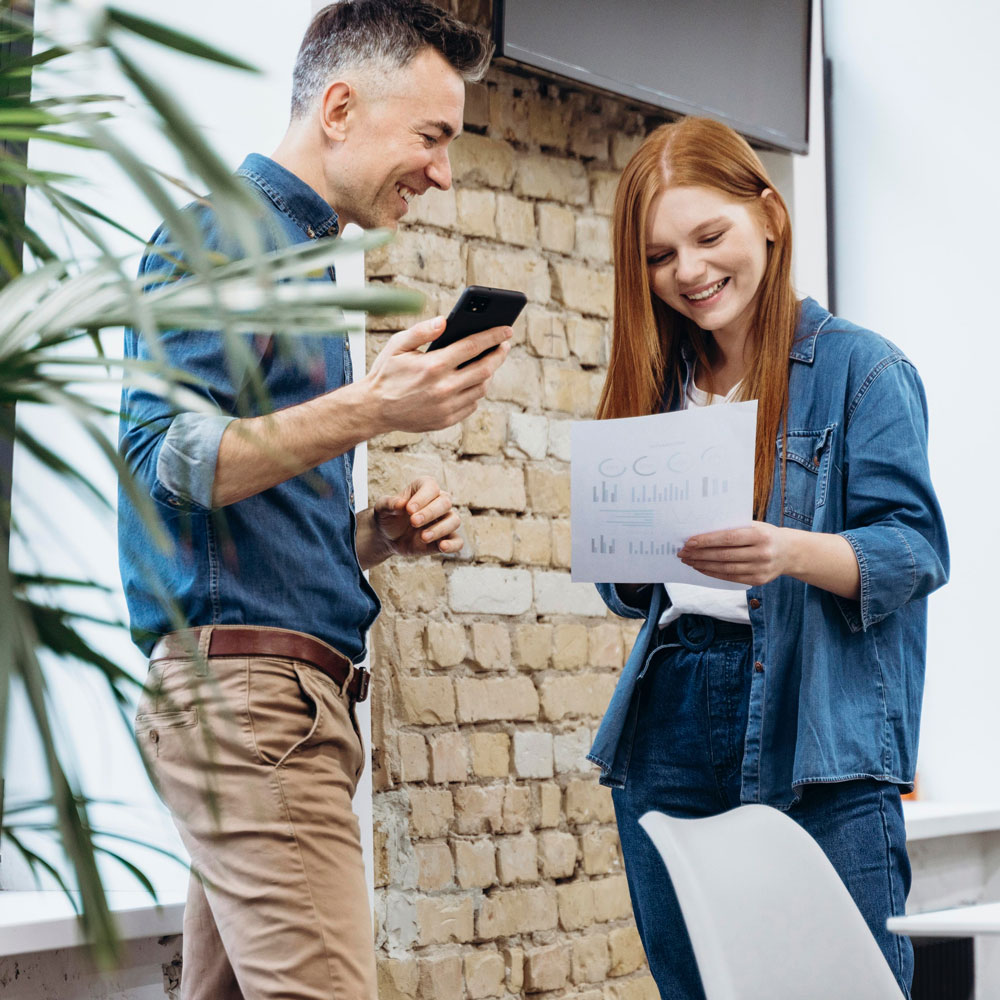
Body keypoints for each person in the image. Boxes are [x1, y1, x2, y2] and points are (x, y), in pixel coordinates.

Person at [118, 4, 505, 998]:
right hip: (253, 712)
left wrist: (370, 535)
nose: (441, 172)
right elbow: (172, 458)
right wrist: (373, 403)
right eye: (431, 136)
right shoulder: (225, 237)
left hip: (266, 706)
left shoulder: (295, 260)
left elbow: (227, 521)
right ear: (339, 107)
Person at [586, 116, 949, 999]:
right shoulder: (655, 383)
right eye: (660, 257)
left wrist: (786, 550)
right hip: (670, 706)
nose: (691, 273)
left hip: (812, 711)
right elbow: (627, 591)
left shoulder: (862, 369)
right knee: (696, 981)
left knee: (836, 981)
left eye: (710, 237)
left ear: (770, 217)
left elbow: (914, 548)